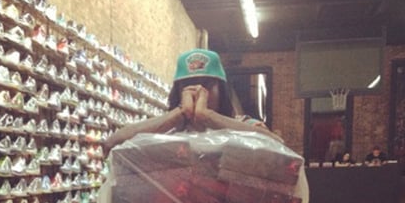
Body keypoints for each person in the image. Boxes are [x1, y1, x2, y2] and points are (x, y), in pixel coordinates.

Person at [104, 48, 279, 154]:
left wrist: (208, 116)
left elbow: (276, 145)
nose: (197, 90)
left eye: (206, 84)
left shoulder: (244, 124)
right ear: (178, 91)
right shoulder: (167, 129)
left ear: (221, 89)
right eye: (188, 85)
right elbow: (111, 144)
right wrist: (178, 114)